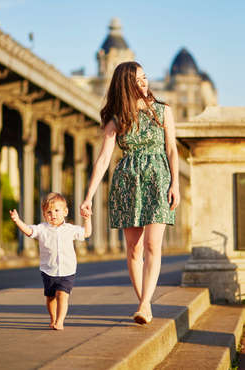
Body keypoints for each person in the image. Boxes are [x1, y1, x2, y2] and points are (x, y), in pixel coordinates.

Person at [80, 61, 180, 325]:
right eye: (137, 80)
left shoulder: (163, 111)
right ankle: (144, 304)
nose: (143, 83)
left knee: (152, 245)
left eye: (145, 77)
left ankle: (144, 304)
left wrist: (175, 184)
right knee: (134, 249)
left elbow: (171, 149)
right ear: (125, 85)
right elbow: (103, 160)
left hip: (159, 180)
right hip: (127, 183)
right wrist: (88, 196)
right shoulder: (116, 119)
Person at [10, 192, 92, 330]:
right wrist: (18, 220)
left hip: (67, 269)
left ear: (65, 212)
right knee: (50, 297)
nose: (53, 214)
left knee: (62, 295)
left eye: (56, 210)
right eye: (49, 212)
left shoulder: (70, 229)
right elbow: (29, 231)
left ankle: (60, 321)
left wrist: (87, 219)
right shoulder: (42, 229)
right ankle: (53, 319)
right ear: (44, 214)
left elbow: (86, 233)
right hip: (48, 270)